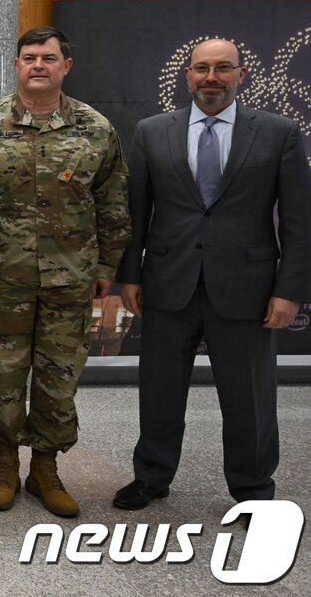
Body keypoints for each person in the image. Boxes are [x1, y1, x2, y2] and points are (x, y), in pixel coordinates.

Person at [113, 37, 310, 511]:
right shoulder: (152, 131)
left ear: (241, 75)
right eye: (201, 69)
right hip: (166, 282)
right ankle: (152, 477)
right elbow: (134, 213)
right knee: (160, 391)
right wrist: (130, 277)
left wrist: (290, 291)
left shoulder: (279, 132)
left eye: (223, 68)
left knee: (250, 399)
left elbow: (301, 220)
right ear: (187, 75)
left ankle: (254, 491)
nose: (211, 78)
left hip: (248, 288)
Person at [0, 26, 129, 517]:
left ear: (65, 67)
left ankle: (46, 468)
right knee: (4, 375)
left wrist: (107, 265)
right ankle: (5, 462)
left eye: (48, 58)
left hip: (70, 280)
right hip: (2, 279)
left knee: (59, 380)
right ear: (16, 65)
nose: (39, 65)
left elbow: (114, 202)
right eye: (29, 57)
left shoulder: (95, 129)